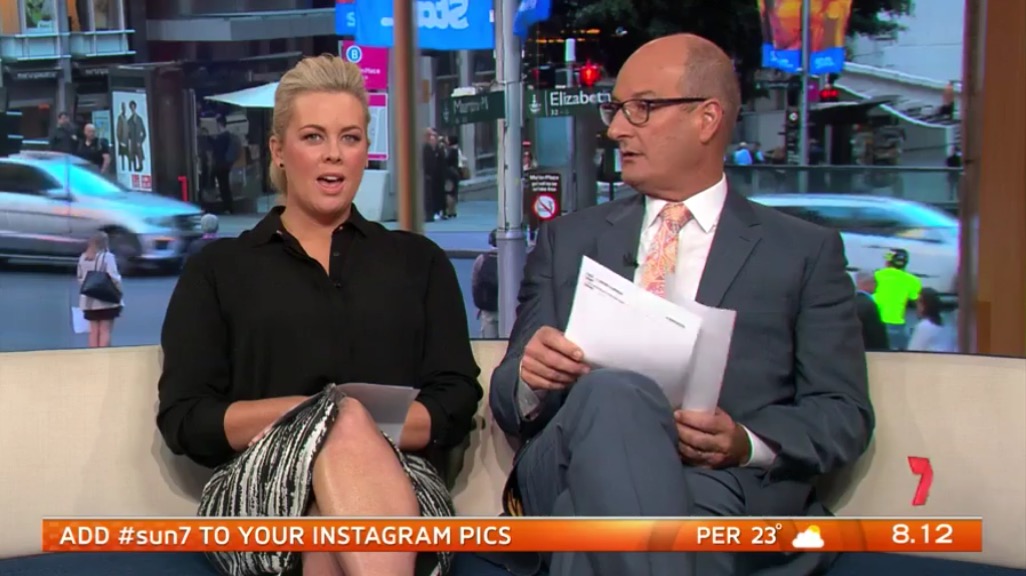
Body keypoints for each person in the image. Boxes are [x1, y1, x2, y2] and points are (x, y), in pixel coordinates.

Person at [486, 33, 874, 576]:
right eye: (617, 109)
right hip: (566, 461)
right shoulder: (567, 240)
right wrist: (530, 377)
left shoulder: (803, 252)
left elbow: (842, 413)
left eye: (641, 108)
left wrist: (743, 442)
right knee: (613, 391)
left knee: (594, 523)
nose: (616, 129)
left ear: (707, 118)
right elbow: (506, 397)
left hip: (719, 481)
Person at [157, 55, 482, 576]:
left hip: (400, 475)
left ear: (364, 150)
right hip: (258, 484)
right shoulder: (217, 270)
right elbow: (187, 420)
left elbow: (455, 400)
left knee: (326, 524)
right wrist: (322, 416)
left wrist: (354, 431)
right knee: (341, 420)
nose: (334, 154)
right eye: (313, 137)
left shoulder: (418, 262)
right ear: (278, 151)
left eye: (350, 138)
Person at [77, 232, 123, 348]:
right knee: (105, 330)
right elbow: (114, 277)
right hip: (106, 301)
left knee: (93, 331)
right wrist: (119, 292)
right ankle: (103, 355)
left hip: (89, 302)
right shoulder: (107, 257)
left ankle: (93, 354)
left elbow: (80, 278)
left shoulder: (83, 257)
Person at [873, 248, 921, 350]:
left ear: (888, 262)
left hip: (875, 322)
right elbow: (917, 302)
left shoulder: (877, 275)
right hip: (897, 325)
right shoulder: (913, 280)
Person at [907, 287, 957, 353]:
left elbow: (912, 352)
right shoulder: (948, 327)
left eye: (919, 302)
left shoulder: (924, 326)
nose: (917, 306)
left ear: (927, 305)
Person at [854, 271, 890, 351]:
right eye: (875, 282)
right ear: (867, 283)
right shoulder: (868, 304)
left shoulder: (848, 301)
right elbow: (876, 334)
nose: (876, 285)